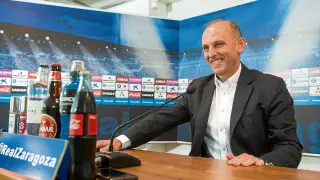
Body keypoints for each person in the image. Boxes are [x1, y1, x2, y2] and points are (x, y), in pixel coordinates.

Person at [96, 19, 303, 168]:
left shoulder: (270, 86)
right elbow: (160, 120)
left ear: (240, 45)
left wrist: (261, 162)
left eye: (219, 44)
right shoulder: (199, 88)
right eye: (206, 48)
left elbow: (289, 147)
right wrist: (120, 141)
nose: (211, 54)